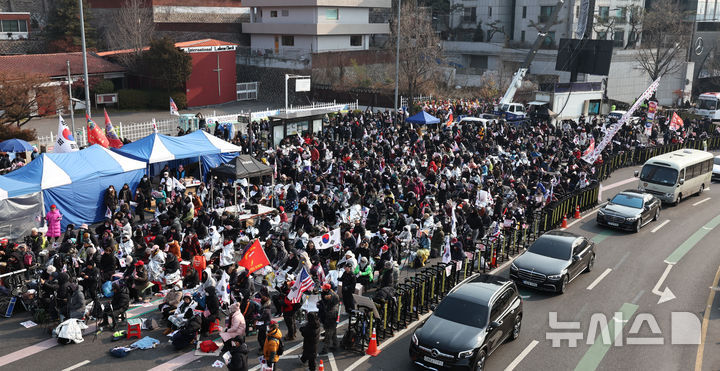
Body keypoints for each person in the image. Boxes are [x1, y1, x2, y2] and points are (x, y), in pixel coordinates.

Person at [318, 283, 339, 353]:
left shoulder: (329, 296)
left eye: (323, 288)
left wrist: (319, 305)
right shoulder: (332, 293)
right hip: (334, 314)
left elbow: (325, 305)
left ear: (326, 289)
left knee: (328, 333)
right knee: (333, 331)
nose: (322, 289)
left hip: (331, 315)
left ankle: (325, 349)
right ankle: (335, 345)